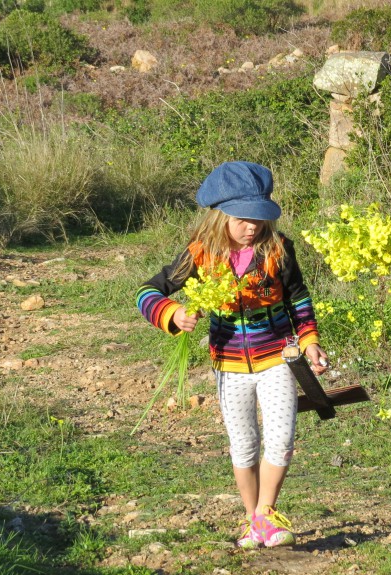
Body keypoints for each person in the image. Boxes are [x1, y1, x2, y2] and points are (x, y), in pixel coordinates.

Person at [136, 161, 329, 550]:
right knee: (243, 442)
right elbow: (147, 292)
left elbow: (299, 298)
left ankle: (265, 515)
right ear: (219, 214)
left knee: (282, 437)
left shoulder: (278, 248)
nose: (252, 226)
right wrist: (172, 313)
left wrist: (309, 341)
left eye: (258, 217)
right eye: (242, 218)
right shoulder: (200, 253)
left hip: (278, 356)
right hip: (229, 363)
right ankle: (249, 519)